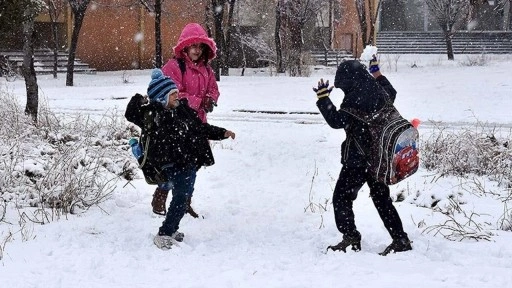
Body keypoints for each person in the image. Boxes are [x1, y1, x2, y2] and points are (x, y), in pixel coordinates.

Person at [125, 69, 235, 250]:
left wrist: (222, 133)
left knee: (183, 198)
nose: (177, 96)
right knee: (181, 198)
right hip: (171, 164)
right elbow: (131, 114)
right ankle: (164, 233)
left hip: (189, 162)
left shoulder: (184, 111)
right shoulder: (153, 116)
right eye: (172, 94)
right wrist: (139, 99)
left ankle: (172, 228)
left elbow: (202, 128)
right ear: (161, 98)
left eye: (176, 92)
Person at [313, 56, 412, 256]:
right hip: (378, 159)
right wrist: (377, 74)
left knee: (341, 198)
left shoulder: (354, 101)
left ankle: (350, 237)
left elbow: (336, 121)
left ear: (350, 82)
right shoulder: (380, 93)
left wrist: (323, 98)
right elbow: (392, 91)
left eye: (344, 87)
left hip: (357, 161)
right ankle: (400, 239)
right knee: (382, 199)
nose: (343, 91)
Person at [156, 23, 219, 217]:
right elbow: (172, 94)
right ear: (185, 47)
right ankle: (162, 194)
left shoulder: (207, 70)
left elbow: (213, 89)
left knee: (194, 164)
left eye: (200, 47)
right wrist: (198, 101)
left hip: (198, 124)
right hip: (177, 125)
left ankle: (184, 201)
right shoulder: (174, 66)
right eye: (193, 46)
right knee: (175, 165)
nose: (197, 51)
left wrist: (211, 99)